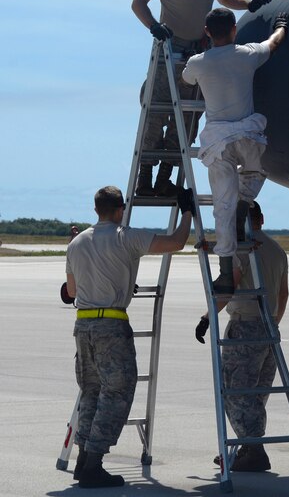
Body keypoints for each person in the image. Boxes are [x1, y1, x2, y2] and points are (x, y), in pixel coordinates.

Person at [131, 0, 272, 197]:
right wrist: (153, 26)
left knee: (188, 121)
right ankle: (144, 180)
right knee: (157, 116)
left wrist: (249, 3)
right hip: (169, 52)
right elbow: (138, 3)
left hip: (199, 53)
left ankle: (164, 180)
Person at [65, 185, 194, 488]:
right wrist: (187, 212)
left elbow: (72, 292)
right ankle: (94, 463)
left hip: (83, 327)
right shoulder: (126, 236)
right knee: (117, 393)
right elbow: (176, 242)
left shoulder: (77, 242)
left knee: (91, 392)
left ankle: (84, 459)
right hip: (111, 326)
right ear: (120, 209)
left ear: (96, 210)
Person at [182, 7, 289, 294]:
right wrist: (281, 25)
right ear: (234, 30)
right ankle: (244, 203)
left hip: (218, 141)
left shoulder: (197, 63)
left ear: (207, 33)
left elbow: (187, 79)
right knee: (255, 173)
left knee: (222, 207)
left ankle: (226, 273)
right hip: (247, 135)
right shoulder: (248, 54)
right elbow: (274, 43)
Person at [195, 201, 289, 472]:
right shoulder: (277, 249)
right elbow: (283, 293)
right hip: (269, 327)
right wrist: (272, 323)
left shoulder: (241, 249)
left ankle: (254, 449)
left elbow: (228, 286)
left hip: (245, 326)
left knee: (235, 391)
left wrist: (206, 317)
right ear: (262, 218)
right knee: (257, 392)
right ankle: (247, 446)